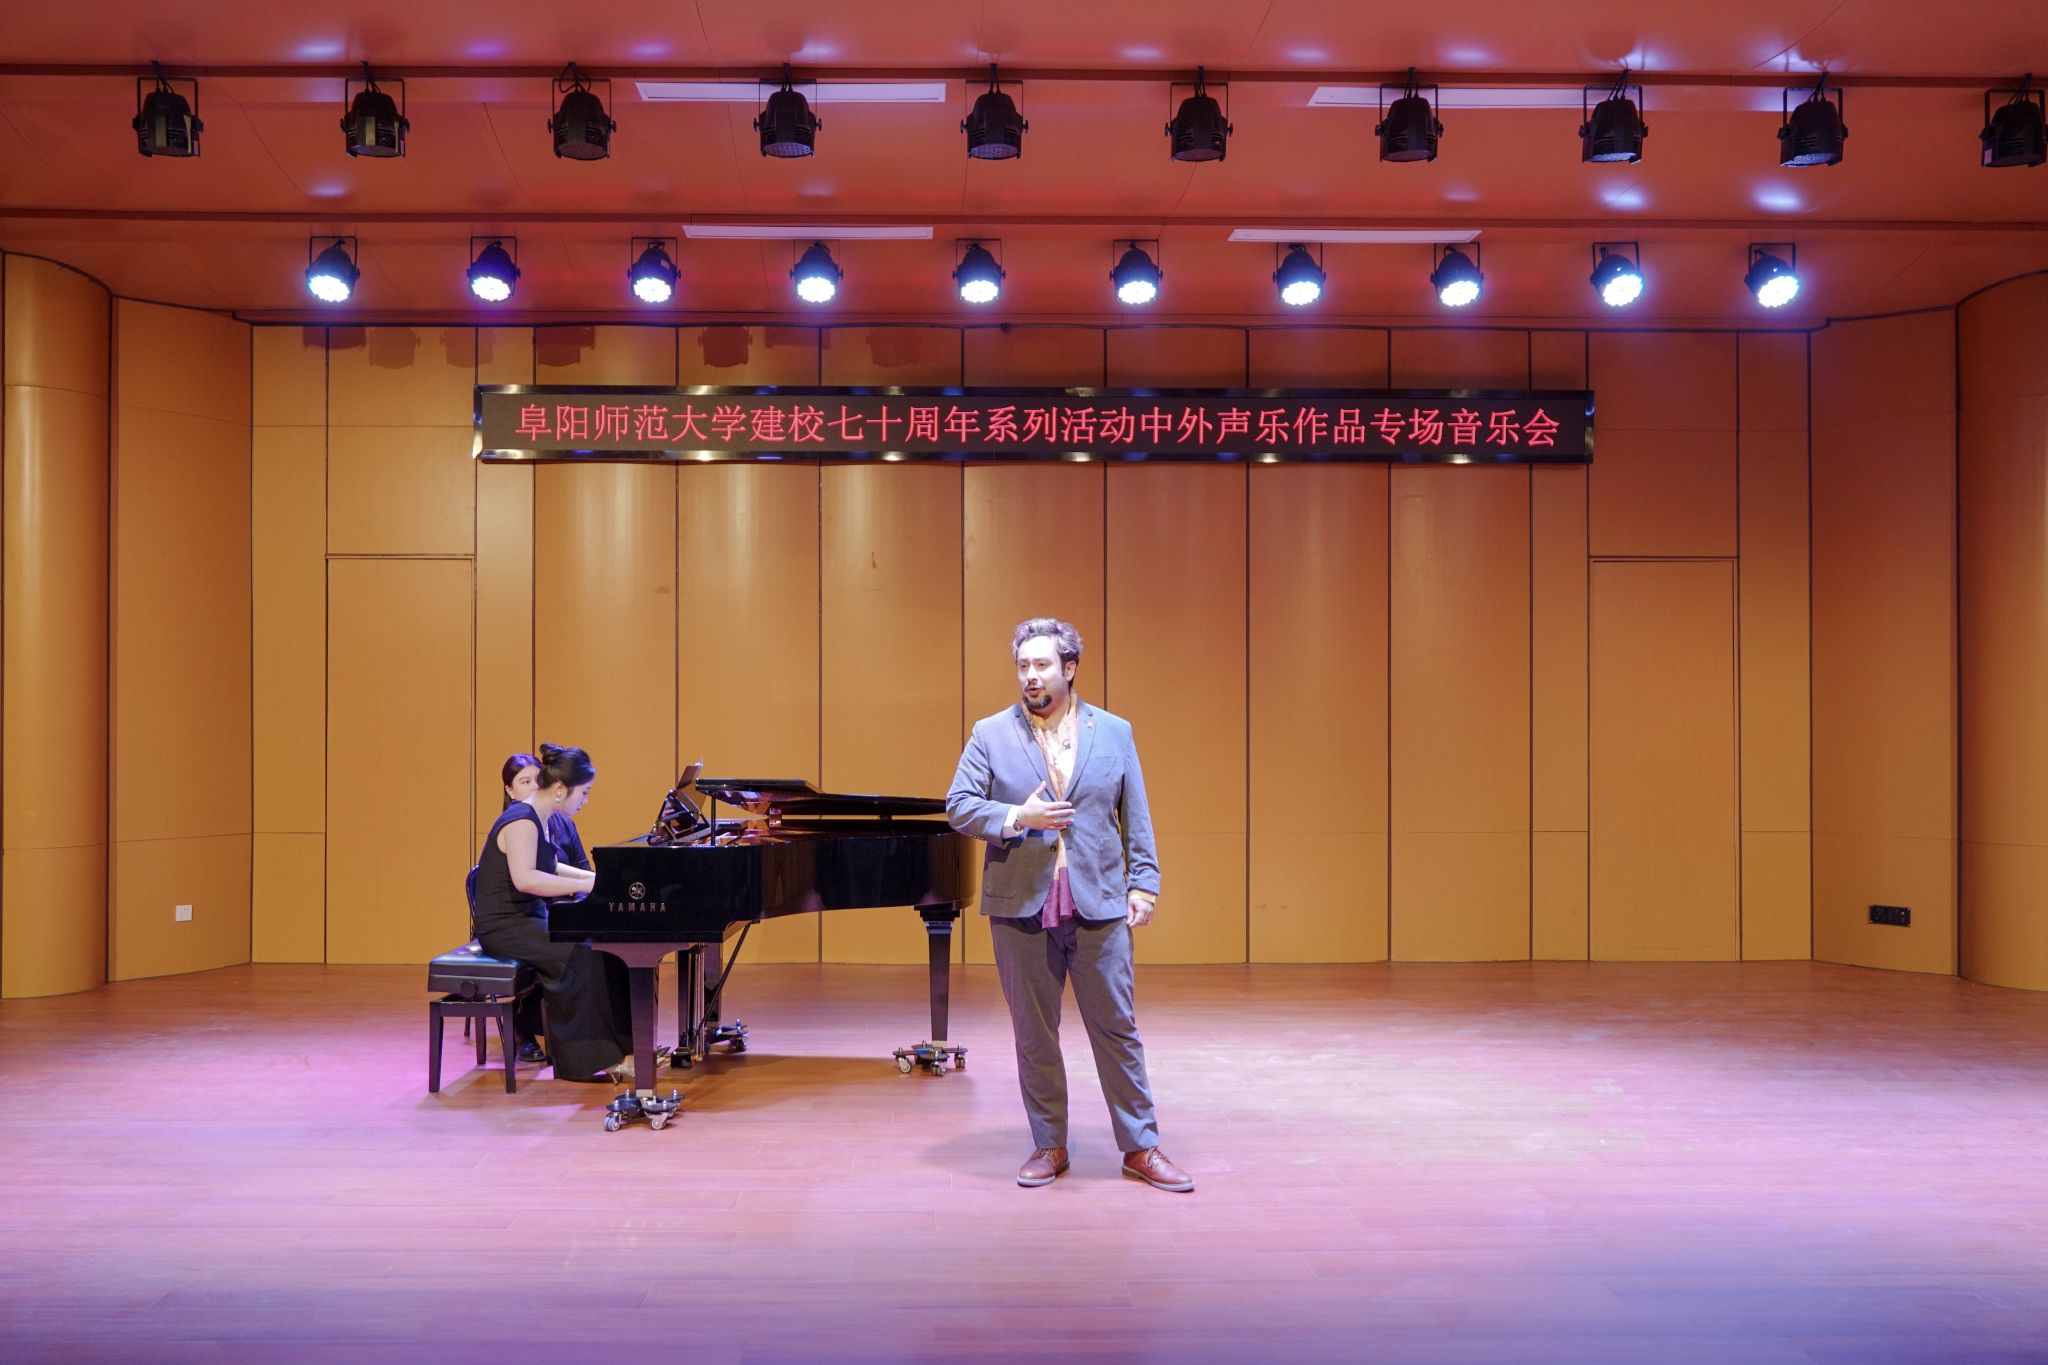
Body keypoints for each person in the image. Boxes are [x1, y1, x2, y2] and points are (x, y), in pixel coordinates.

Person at [946, 617, 1194, 1192]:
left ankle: (1141, 1147)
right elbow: (959, 805)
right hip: (1020, 905)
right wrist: (1017, 816)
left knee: (1117, 1028)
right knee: (1034, 1033)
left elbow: (1135, 812)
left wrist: (1144, 883)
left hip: (1099, 901)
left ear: (1070, 668)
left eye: (1042, 665)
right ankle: (1049, 1144)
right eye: (1023, 666)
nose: (1030, 676)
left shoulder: (1114, 732)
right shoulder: (991, 733)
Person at [471, 744, 633, 1082]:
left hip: (528, 919)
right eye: (583, 792)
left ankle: (625, 1050)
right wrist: (588, 886)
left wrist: (598, 880)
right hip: (505, 927)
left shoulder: (539, 816)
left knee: (607, 948)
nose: (585, 800)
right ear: (560, 789)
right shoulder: (522, 820)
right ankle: (587, 1061)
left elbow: (553, 867)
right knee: (582, 953)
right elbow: (526, 879)